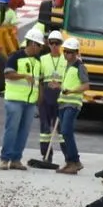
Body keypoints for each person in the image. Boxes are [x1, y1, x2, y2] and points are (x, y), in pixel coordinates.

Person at [0, 26, 44, 170]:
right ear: (33, 44)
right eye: (40, 45)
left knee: (24, 132)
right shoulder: (15, 56)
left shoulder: (38, 61)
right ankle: (5, 159)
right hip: (14, 100)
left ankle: (16, 159)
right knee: (11, 129)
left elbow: (39, 81)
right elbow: (7, 74)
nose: (41, 48)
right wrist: (23, 76)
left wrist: (39, 99)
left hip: (30, 103)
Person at [30, 30, 70, 169]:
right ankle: (46, 155)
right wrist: (39, 97)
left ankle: (69, 157)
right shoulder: (43, 59)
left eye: (57, 43)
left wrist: (60, 86)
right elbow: (39, 79)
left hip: (60, 94)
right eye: (52, 43)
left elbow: (70, 79)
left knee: (61, 129)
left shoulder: (65, 60)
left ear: (61, 44)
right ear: (48, 44)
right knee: (44, 128)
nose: (54, 45)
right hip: (46, 94)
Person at [54, 35, 88, 174]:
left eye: (70, 52)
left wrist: (71, 91)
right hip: (63, 102)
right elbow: (67, 84)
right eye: (65, 51)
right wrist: (59, 86)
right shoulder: (67, 66)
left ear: (76, 53)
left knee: (66, 131)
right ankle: (69, 162)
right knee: (63, 132)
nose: (66, 54)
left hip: (72, 103)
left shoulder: (79, 66)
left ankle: (75, 161)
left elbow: (86, 85)